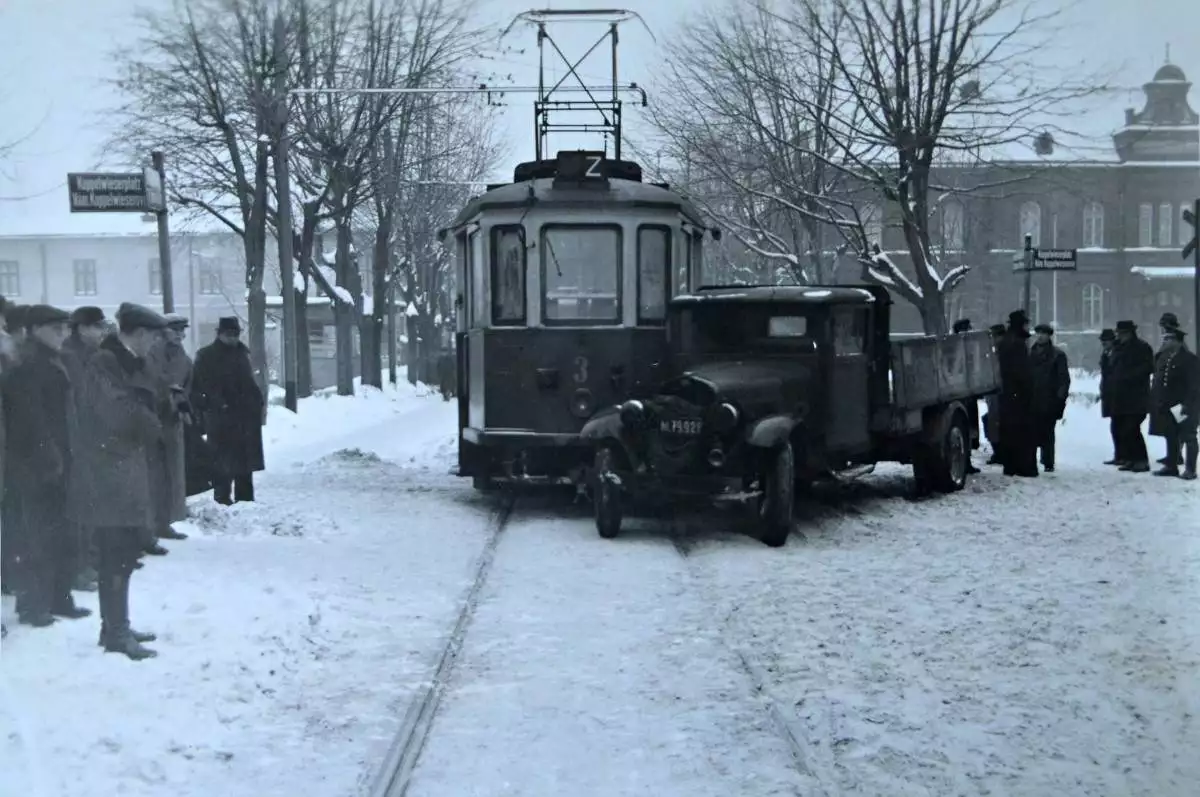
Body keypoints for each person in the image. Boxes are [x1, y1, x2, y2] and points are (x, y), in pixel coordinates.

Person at [69, 303, 167, 659]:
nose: (154, 345)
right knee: (116, 554)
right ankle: (115, 632)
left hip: (119, 471)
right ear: (138, 334)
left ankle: (114, 626)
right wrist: (151, 423)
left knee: (121, 554)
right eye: (152, 338)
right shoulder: (105, 364)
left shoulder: (121, 362)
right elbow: (117, 412)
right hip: (107, 474)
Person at [2, 305, 90, 627]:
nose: (62, 334)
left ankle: (59, 597)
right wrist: (50, 456)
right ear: (34, 329)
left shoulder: (55, 361)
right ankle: (33, 604)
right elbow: (29, 420)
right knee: (34, 536)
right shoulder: (27, 365)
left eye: (64, 329)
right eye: (55, 329)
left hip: (59, 459)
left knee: (61, 533)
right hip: (34, 465)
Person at [192, 317, 265, 505]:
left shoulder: (241, 354)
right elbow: (200, 387)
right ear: (219, 334)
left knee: (244, 463)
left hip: (244, 417)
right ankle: (222, 499)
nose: (233, 338)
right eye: (229, 334)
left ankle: (245, 500)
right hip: (221, 418)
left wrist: (257, 403)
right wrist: (217, 404)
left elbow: (248, 383)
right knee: (222, 463)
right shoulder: (206, 356)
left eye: (236, 334)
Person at [61, 306, 109, 591]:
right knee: (78, 509)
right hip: (78, 440)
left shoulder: (92, 355)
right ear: (81, 329)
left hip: (93, 439)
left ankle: (89, 562)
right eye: (96, 327)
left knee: (91, 506)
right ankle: (77, 568)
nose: (101, 332)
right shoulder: (71, 356)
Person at [145, 313, 193, 542]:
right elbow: (152, 381)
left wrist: (183, 402)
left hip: (172, 420)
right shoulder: (153, 352)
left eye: (183, 331)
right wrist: (170, 393)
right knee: (154, 474)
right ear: (164, 331)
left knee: (171, 474)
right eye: (176, 331)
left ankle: (164, 521)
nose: (180, 335)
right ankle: (150, 524)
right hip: (154, 419)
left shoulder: (182, 356)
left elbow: (186, 383)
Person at [1149, 323, 1198, 480]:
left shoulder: (1189, 359)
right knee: (1171, 435)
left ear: (1177, 341)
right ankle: (1171, 466)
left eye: (1168, 339)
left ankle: (1190, 469)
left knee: (1188, 436)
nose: (1165, 342)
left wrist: (1187, 404)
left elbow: (1194, 385)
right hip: (1169, 405)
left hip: (1183, 405)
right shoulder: (1167, 358)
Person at [995, 310, 1037, 477]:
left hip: (1008, 395)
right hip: (1018, 395)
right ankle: (1023, 466)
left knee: (1010, 431)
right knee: (1021, 432)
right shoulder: (1017, 343)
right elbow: (1021, 372)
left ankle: (1011, 465)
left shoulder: (1007, 341)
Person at [1109, 320, 1154, 473]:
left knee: (1132, 428)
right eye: (1119, 333)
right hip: (1121, 396)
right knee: (1122, 429)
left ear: (1130, 333)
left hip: (1136, 396)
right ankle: (1130, 459)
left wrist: (1129, 376)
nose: (1120, 336)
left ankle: (1141, 460)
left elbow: (1148, 367)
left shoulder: (1142, 347)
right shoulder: (1118, 348)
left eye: (1123, 333)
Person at [1028, 324, 1070, 472]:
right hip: (1032, 399)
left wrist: (1060, 398)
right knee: (1032, 431)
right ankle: (1031, 461)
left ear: (1049, 336)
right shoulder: (1030, 353)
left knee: (1047, 431)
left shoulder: (1057, 355)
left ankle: (1048, 462)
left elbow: (1063, 379)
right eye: (1038, 333)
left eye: (1043, 334)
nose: (1040, 336)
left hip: (1049, 399)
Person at [1151, 312, 1183, 468]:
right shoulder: (1166, 342)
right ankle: (1173, 454)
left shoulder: (1175, 343)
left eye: (1165, 326)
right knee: (1168, 425)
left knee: (1174, 426)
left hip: (1173, 393)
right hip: (1164, 390)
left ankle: (1175, 456)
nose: (1163, 330)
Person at [983, 322, 1006, 464]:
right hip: (994, 393)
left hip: (1001, 393)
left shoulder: (1004, 352)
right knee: (991, 422)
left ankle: (1000, 453)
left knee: (995, 423)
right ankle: (998, 452)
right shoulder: (994, 352)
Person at [1098, 329, 1119, 464]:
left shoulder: (1117, 354)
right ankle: (1119, 454)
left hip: (1117, 393)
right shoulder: (1106, 354)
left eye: (1106, 341)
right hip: (1110, 393)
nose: (1104, 343)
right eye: (1102, 341)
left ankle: (1123, 455)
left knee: (1121, 426)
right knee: (1115, 426)